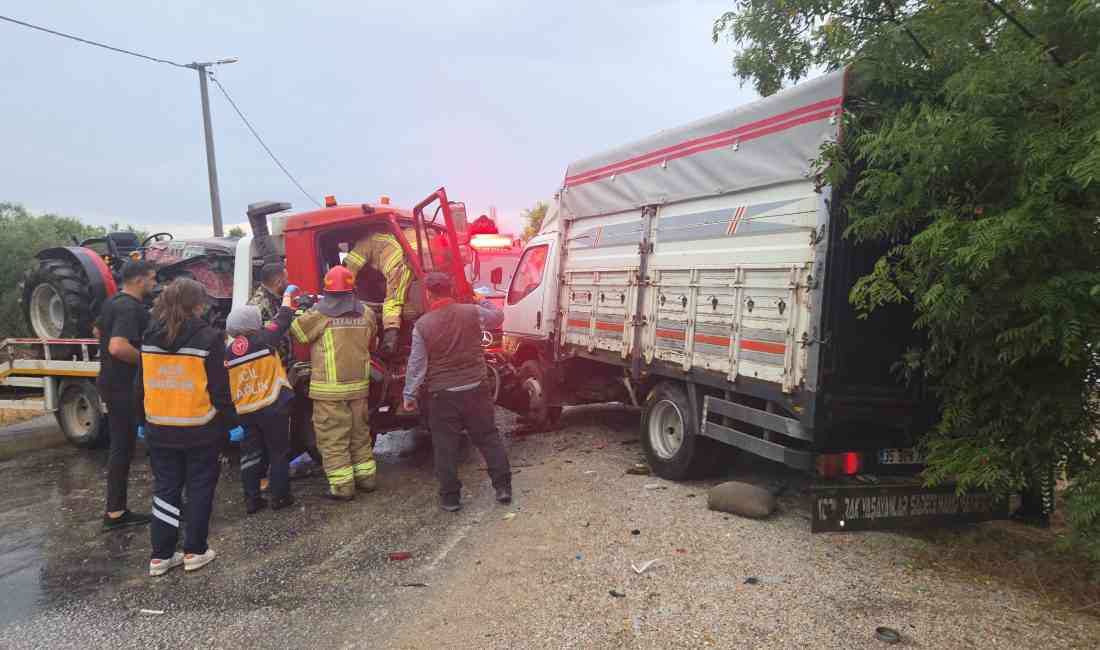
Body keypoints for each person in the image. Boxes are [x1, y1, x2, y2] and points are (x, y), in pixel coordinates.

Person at [136, 279, 239, 576]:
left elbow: (139, 384)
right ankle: (195, 550)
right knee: (199, 488)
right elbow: (219, 390)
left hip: (159, 427)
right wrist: (232, 423)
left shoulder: (149, 337)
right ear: (198, 305)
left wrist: (139, 421)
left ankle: (161, 556)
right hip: (199, 429)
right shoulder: (209, 338)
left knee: (165, 489)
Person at [402, 271, 511, 512]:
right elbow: (498, 317)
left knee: (445, 446)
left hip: (442, 395)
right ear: (451, 290)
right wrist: (478, 300)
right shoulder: (471, 312)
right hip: (476, 387)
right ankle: (502, 488)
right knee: (488, 438)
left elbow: (417, 364)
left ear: (429, 295)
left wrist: (409, 395)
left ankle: (451, 499)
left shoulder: (422, 326)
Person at [290, 266, 378, 501]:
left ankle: (342, 488)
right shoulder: (367, 313)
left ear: (327, 290)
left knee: (333, 439)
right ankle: (367, 479)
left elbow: (298, 333)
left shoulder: (319, 314)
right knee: (360, 435)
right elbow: (373, 341)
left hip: (329, 391)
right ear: (352, 289)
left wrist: (302, 309)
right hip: (359, 387)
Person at [224, 288, 298, 514]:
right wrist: (288, 296)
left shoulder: (228, 351)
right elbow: (283, 318)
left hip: (245, 409)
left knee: (251, 454)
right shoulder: (264, 338)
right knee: (277, 452)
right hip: (272, 403)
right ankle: (280, 496)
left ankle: (252, 499)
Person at [97, 260, 157, 531]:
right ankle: (116, 513)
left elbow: (97, 330)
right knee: (124, 448)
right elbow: (118, 346)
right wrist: (148, 360)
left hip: (111, 383)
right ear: (138, 280)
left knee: (122, 447)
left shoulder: (112, 303)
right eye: (151, 279)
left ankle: (115, 510)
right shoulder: (129, 307)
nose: (154, 284)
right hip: (124, 387)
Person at [343, 228, 414, 359]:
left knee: (393, 301)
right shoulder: (385, 236)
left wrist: (344, 289)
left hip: (397, 267)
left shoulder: (363, 244)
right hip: (407, 265)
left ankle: (390, 339)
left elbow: (349, 268)